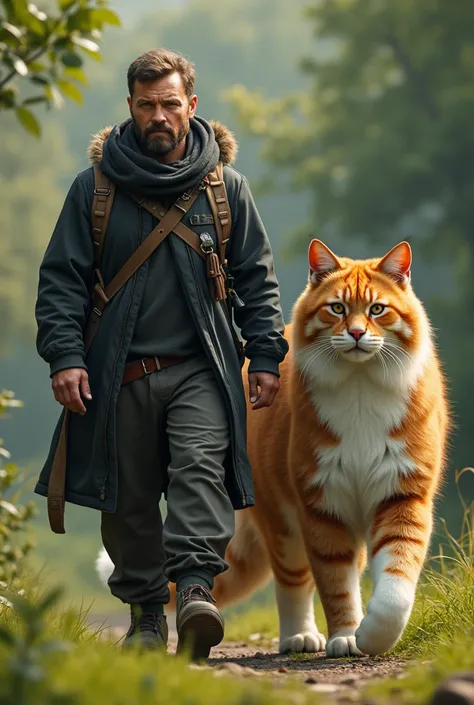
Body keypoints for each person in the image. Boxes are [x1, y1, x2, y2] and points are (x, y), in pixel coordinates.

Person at [34, 48, 288, 658]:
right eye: (146, 105)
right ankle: (147, 617)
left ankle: (197, 591)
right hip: (114, 372)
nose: (159, 115)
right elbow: (61, 281)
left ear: (191, 106)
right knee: (129, 498)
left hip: (201, 369)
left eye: (170, 104)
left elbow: (257, 279)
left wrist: (266, 357)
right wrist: (65, 357)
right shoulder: (92, 189)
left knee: (200, 471)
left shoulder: (226, 189)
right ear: (130, 107)